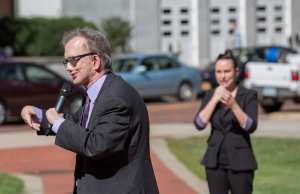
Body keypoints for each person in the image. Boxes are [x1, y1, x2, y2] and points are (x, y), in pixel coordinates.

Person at [21, 26, 159, 194]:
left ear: (95, 61)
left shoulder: (115, 97)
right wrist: (37, 114)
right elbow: (75, 122)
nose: (68, 68)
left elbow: (97, 144)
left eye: (73, 60)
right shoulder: (99, 92)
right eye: (66, 61)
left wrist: (58, 123)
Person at [194, 49, 258, 194]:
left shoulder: (248, 95)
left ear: (236, 71)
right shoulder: (210, 94)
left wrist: (234, 106)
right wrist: (214, 99)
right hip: (214, 162)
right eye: (218, 71)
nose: (222, 76)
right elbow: (199, 124)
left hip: (241, 162)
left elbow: (251, 126)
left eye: (227, 71)